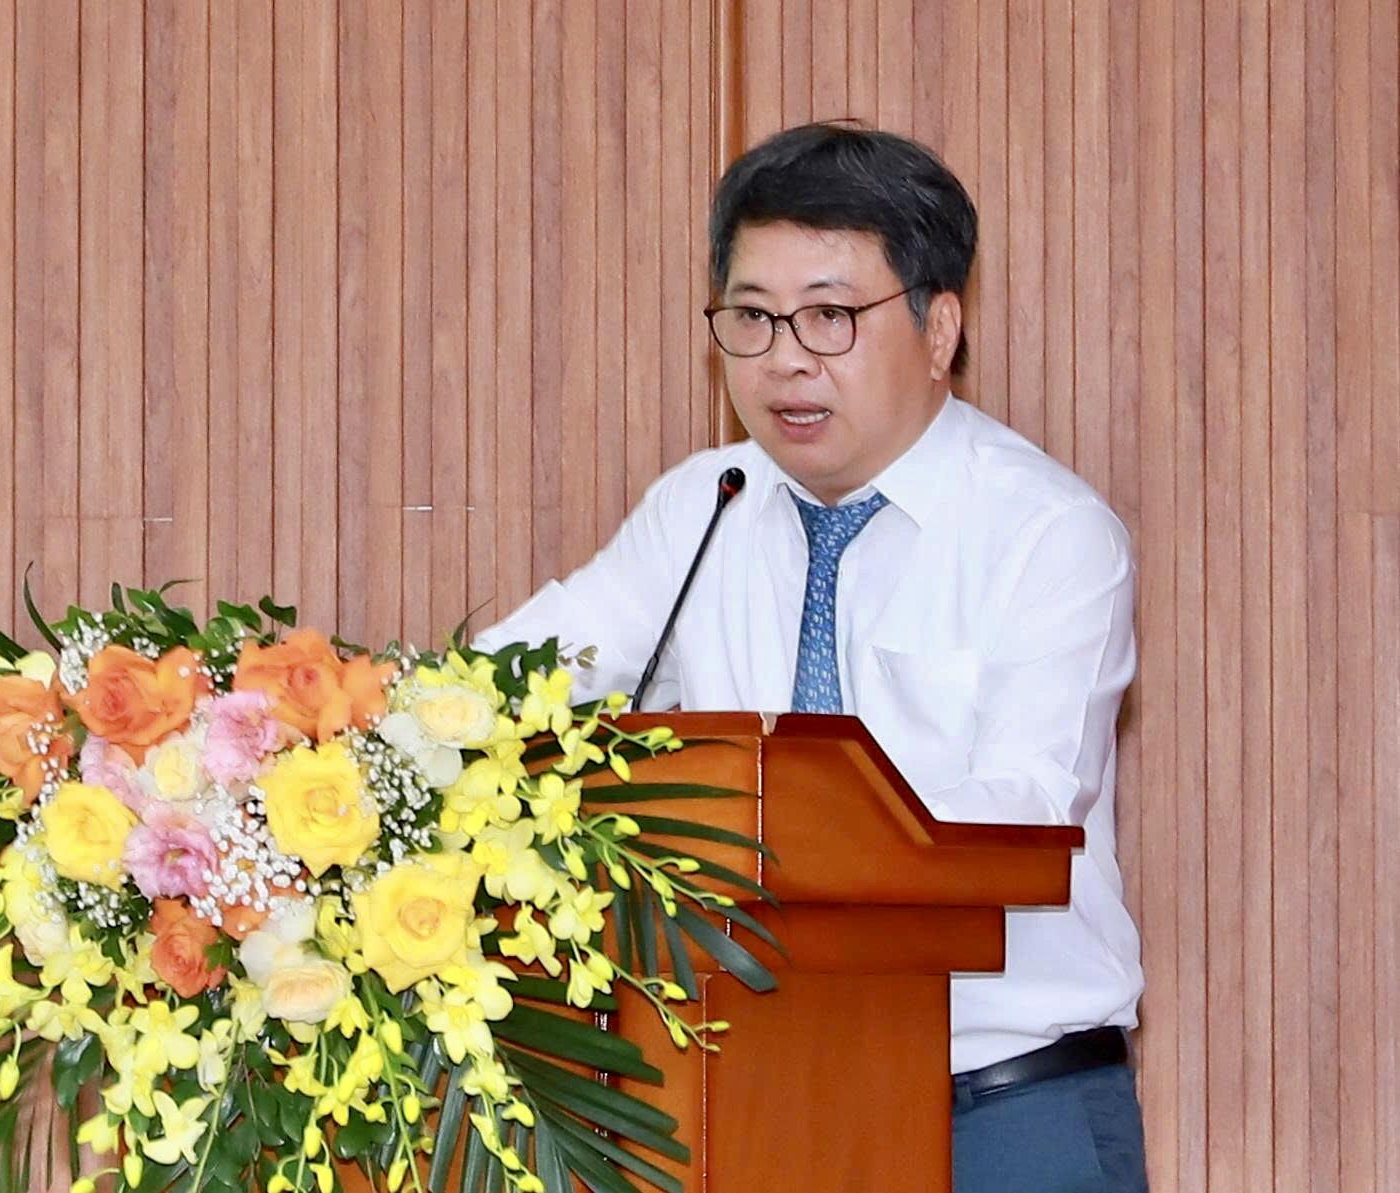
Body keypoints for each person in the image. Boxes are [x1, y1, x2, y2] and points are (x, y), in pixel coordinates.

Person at [475, 122, 1149, 1192]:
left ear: (938, 326)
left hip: (1001, 1110)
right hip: (749, 1098)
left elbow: (1016, 814)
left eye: (829, 316)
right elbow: (502, 687)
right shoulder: (704, 507)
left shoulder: (1045, 533)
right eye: (750, 317)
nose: (785, 357)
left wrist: (748, 832)